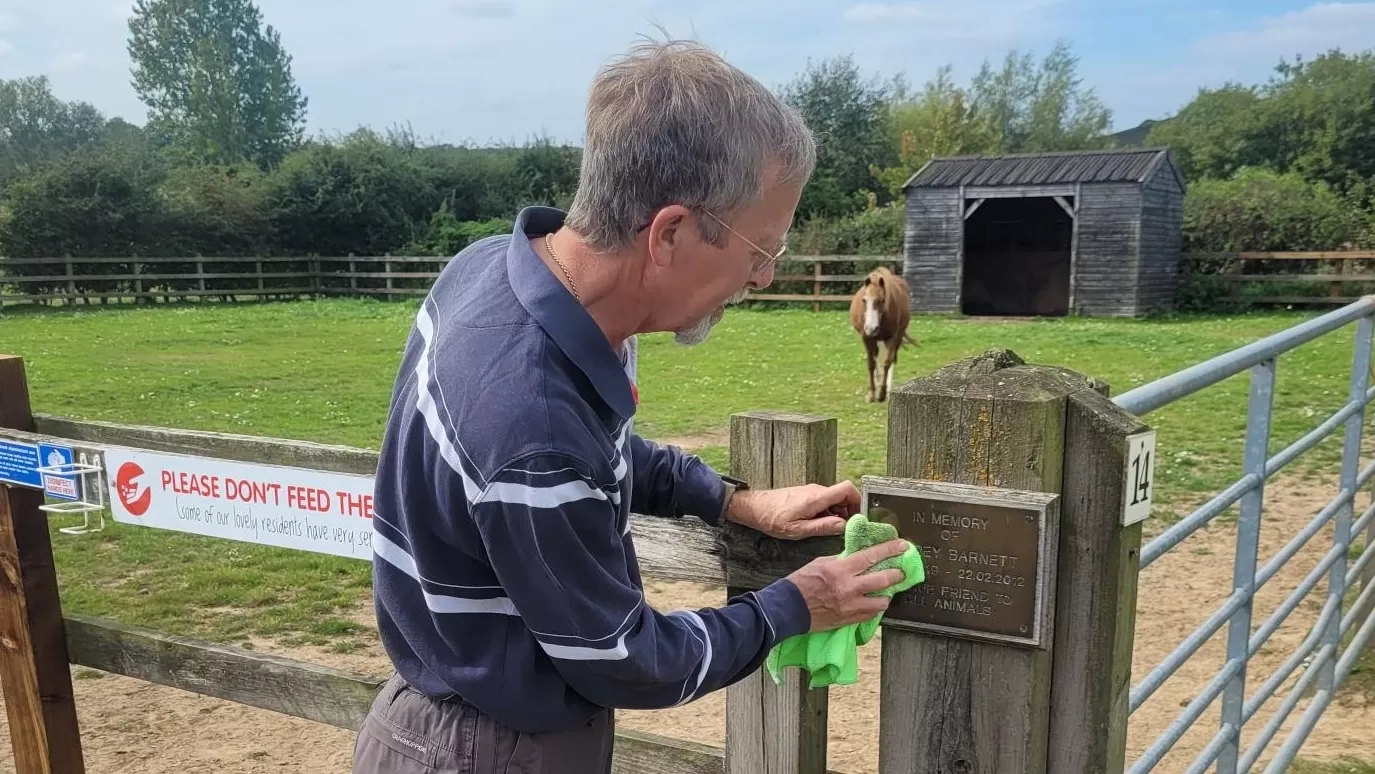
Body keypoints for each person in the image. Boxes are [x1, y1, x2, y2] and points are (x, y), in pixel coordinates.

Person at [353, 37, 911, 774]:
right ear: (670, 233)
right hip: (490, 751)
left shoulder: (492, 270)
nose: (763, 277)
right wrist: (795, 605)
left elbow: (595, 451)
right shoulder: (534, 427)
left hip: (438, 718)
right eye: (758, 250)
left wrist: (730, 500)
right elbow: (624, 661)